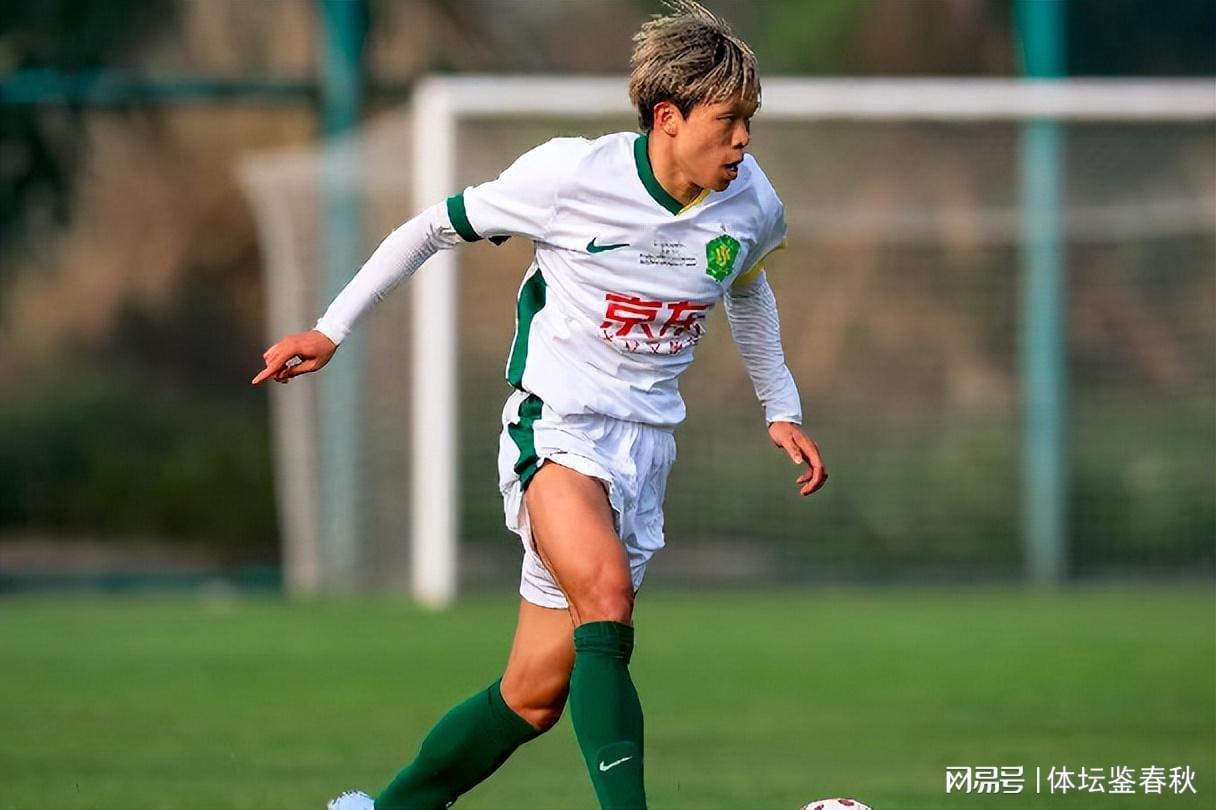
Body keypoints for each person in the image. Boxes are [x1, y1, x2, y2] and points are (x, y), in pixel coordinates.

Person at [252, 2, 827, 808]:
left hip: (646, 450)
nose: (743, 142)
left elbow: (749, 288)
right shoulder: (571, 176)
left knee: (531, 698)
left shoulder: (752, 203)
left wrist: (781, 406)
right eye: (727, 122)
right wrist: (330, 328)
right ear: (668, 117)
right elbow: (432, 227)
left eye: (749, 123)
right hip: (556, 430)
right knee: (606, 599)